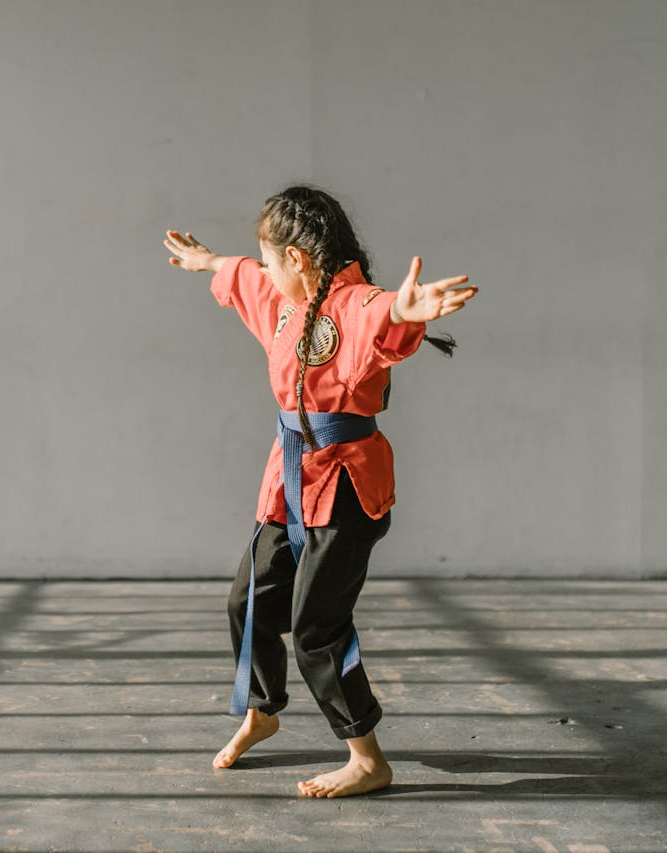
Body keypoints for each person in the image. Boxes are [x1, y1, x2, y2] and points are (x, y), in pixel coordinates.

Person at [162, 185, 477, 798]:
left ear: (299, 261)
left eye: (272, 258)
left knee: (316, 627)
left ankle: (366, 758)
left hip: (348, 488)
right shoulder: (284, 301)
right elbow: (247, 276)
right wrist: (207, 263)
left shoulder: (352, 304)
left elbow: (379, 316)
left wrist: (406, 312)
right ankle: (263, 709)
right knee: (247, 599)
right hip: (290, 480)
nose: (266, 270)